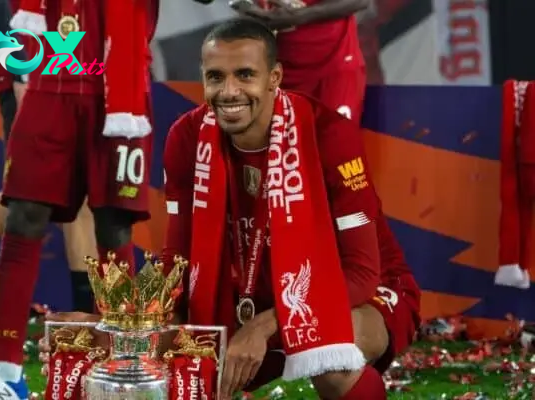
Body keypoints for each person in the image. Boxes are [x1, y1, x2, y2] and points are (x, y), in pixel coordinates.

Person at [39, 19, 420, 399]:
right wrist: (111, 323)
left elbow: (362, 272)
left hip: (363, 292)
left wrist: (267, 326)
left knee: (327, 353)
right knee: (174, 355)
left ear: (274, 77)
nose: (229, 91)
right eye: (216, 76)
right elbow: (177, 259)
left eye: (245, 75)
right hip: (243, 296)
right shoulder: (187, 138)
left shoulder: (328, 134)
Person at [0, 0, 153, 398]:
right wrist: (11, 65)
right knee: (21, 216)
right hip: (47, 81)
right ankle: (7, 375)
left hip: (119, 90)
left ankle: (120, 369)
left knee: (113, 225)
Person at [0, 0, 98, 349]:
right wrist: (22, 72)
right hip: (32, 52)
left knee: (72, 190)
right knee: (30, 193)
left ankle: (86, 324)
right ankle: (86, 322)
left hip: (75, 51)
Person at [231, 0, 368, 123]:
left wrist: (300, 16)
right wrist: (252, 13)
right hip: (279, 71)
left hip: (334, 66)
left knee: (335, 145)